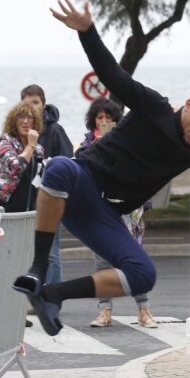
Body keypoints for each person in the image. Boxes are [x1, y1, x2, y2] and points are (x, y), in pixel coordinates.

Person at [12, 0, 190, 337]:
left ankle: (52, 296)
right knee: (59, 166)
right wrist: (87, 31)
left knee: (142, 274)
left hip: (103, 213)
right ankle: (38, 270)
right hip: (81, 180)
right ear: (189, 104)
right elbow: (113, 76)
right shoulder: (154, 107)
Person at [75, 96, 158, 330]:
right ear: (92, 122)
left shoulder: (127, 142)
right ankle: (104, 311)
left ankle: (144, 310)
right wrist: (97, 147)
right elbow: (81, 169)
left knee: (135, 260)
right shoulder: (86, 147)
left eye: (108, 118)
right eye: (99, 118)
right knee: (102, 261)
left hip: (129, 210)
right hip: (101, 210)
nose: (103, 122)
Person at [0, 100, 45, 328]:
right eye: (20, 117)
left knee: (22, 263)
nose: (25, 121)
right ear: (13, 121)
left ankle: (17, 312)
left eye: (29, 117)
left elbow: (41, 178)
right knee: (4, 262)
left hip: (29, 213)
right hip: (6, 211)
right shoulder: (5, 142)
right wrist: (30, 146)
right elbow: (16, 166)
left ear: (35, 121)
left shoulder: (39, 149)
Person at [20, 84, 74, 286]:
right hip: (26, 200)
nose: (32, 108)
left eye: (36, 102)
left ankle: (53, 294)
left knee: (51, 251)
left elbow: (69, 160)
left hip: (50, 198)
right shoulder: (21, 132)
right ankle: (36, 292)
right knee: (31, 251)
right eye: (27, 104)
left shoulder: (55, 130)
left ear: (43, 104)